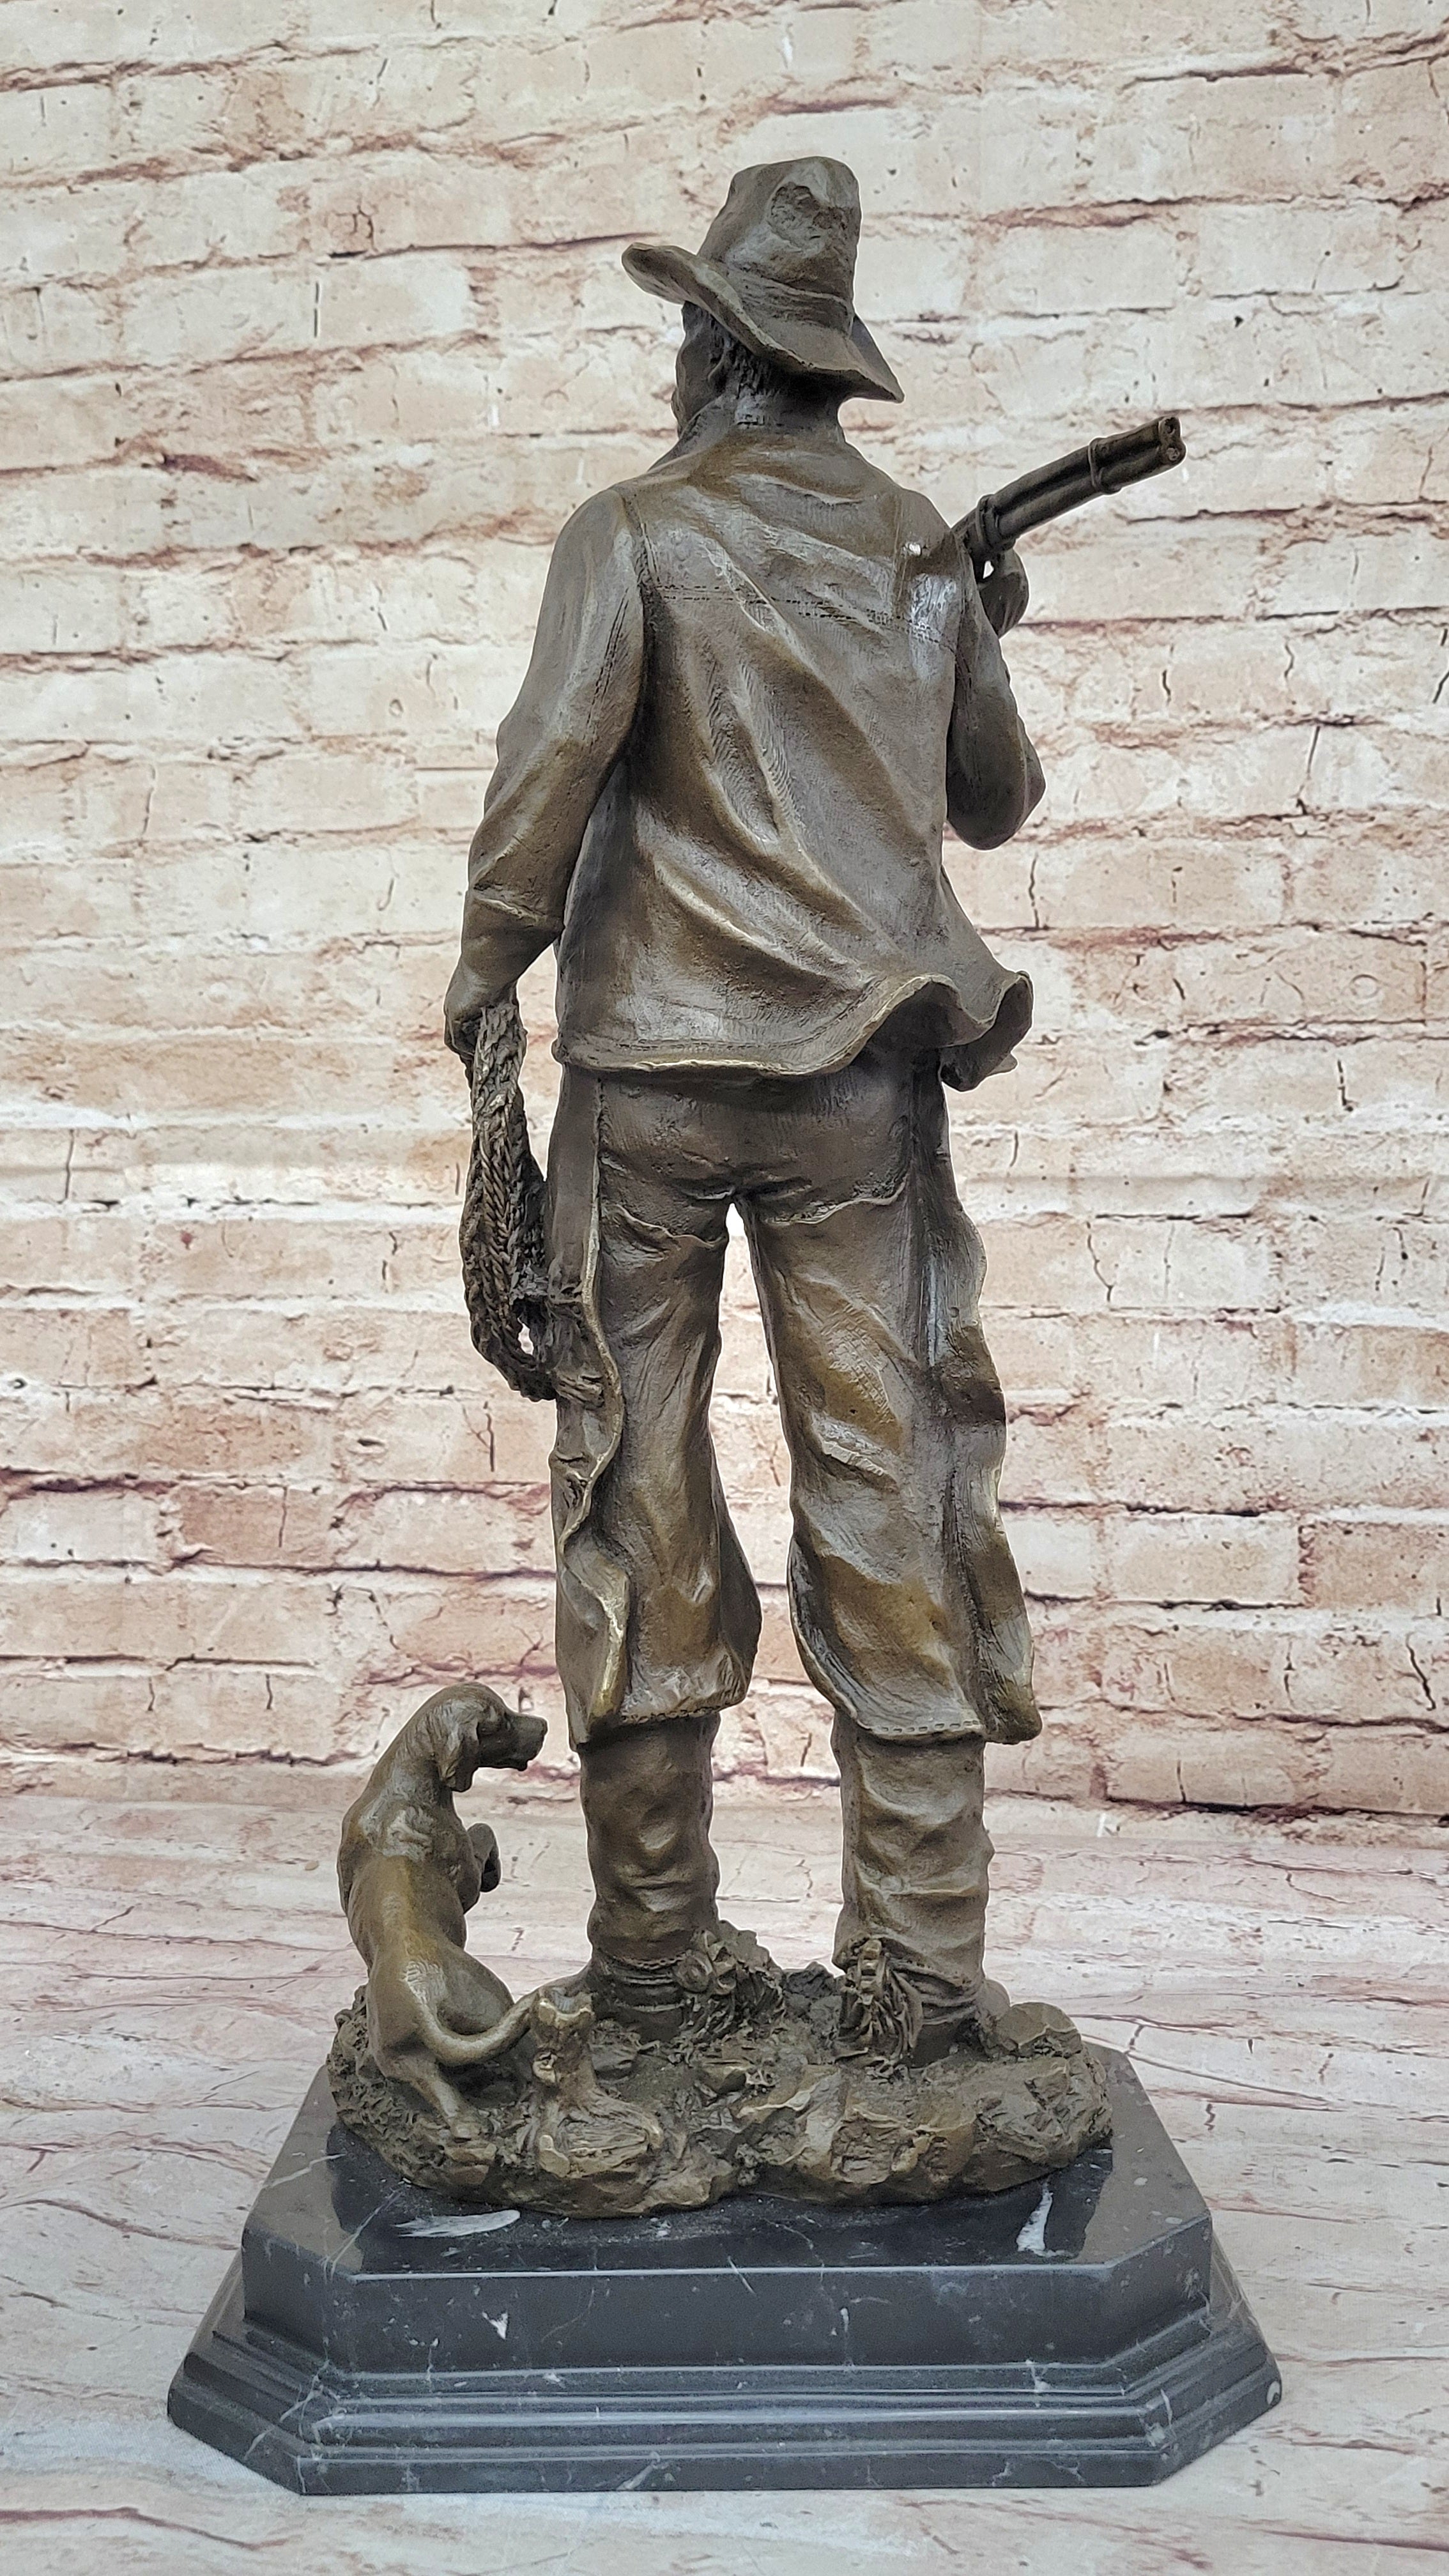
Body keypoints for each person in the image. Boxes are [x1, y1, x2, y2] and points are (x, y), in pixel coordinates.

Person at [445, 158, 1045, 2063]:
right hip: (859, 1090)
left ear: (714, 350)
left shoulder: (632, 531)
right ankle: (922, 1974)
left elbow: (549, 771)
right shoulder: (919, 550)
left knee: (633, 1485)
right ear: (824, 365)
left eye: (682, 338)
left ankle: (652, 1963)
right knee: (891, 1475)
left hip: (648, 1089)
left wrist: (483, 968)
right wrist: (973, 621)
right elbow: (993, 801)